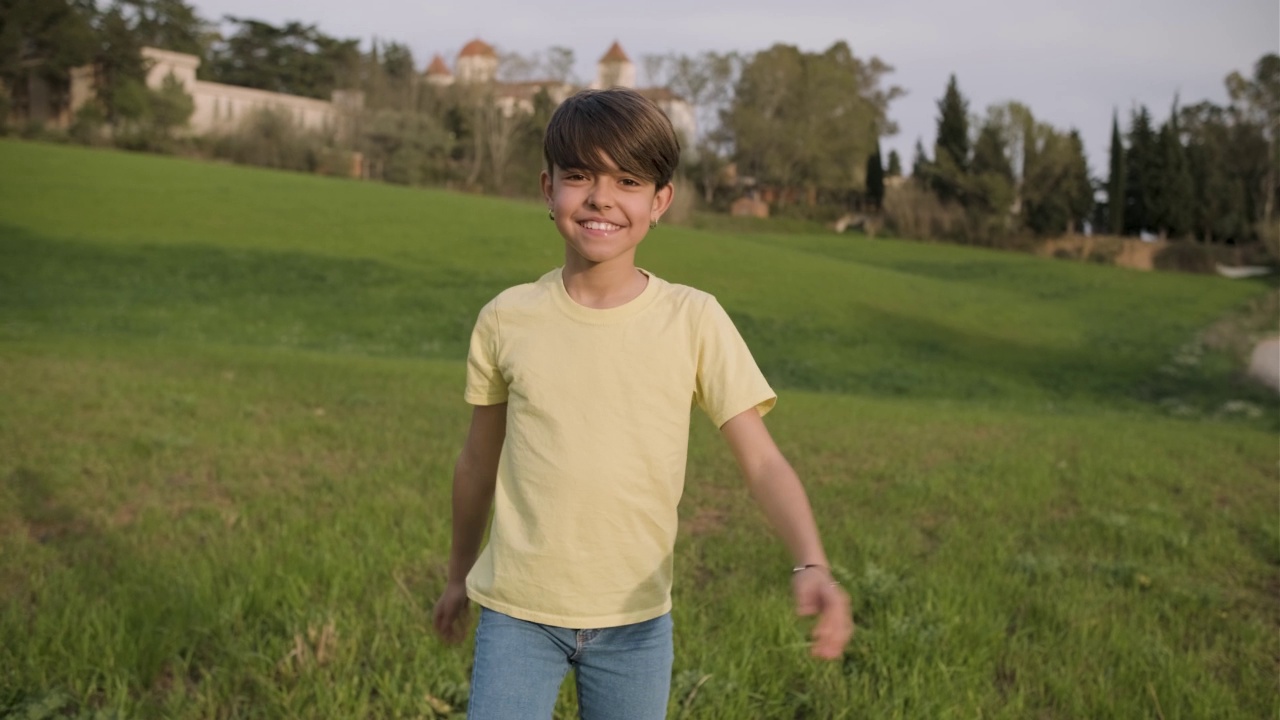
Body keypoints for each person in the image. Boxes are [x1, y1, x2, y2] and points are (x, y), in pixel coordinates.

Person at [432, 87, 853, 719]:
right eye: (579, 176)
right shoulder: (506, 319)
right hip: (518, 614)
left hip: (636, 624)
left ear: (660, 202)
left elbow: (762, 463)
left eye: (627, 180)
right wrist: (458, 574)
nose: (601, 197)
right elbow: (476, 464)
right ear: (547, 190)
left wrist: (811, 562)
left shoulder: (693, 320)